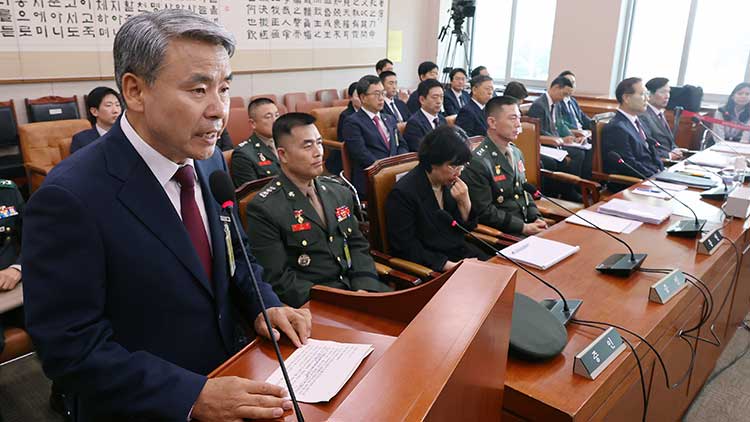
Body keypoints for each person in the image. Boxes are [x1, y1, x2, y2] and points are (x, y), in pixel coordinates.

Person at [22, 9, 311, 421]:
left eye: (224, 89)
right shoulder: (69, 198)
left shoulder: (206, 161)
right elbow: (70, 348)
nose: (219, 111)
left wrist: (265, 305)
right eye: (198, 90)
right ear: (135, 91)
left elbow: (235, 253)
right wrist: (193, 396)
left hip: (234, 377)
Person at [246, 113, 392, 307]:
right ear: (283, 155)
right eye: (308, 146)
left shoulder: (338, 191)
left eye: (319, 143)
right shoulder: (265, 207)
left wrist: (363, 287)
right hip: (317, 304)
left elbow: (357, 244)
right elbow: (279, 279)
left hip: (359, 290)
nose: (318, 152)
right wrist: (339, 300)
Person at [386, 126, 488, 272]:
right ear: (434, 161)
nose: (458, 173)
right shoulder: (403, 194)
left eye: (462, 166)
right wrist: (448, 266)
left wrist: (464, 202)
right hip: (432, 266)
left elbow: (467, 229)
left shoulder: (451, 183)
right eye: (453, 166)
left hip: (460, 253)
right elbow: (406, 247)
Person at [461, 96, 547, 236]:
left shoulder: (516, 152)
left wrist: (536, 218)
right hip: (506, 232)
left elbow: (524, 191)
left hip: (527, 226)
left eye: (519, 118)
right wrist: (523, 228)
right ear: (492, 122)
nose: (518, 124)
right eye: (512, 118)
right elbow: (484, 212)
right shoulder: (479, 161)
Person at [342, 75, 409, 196]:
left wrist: (400, 163)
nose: (381, 98)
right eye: (376, 94)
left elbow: (402, 144)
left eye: (383, 93)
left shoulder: (389, 118)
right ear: (363, 97)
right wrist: (385, 170)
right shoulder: (352, 122)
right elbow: (361, 154)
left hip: (395, 173)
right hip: (370, 178)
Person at [527, 76, 590, 199]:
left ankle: (577, 188)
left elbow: (560, 124)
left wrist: (570, 136)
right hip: (546, 143)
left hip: (557, 141)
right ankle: (568, 191)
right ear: (556, 88)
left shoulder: (557, 104)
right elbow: (540, 131)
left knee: (585, 150)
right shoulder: (539, 105)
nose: (564, 98)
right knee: (578, 154)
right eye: (564, 94)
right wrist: (560, 140)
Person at [602, 77, 664, 179]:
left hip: (652, 176)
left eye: (647, 94)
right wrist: (654, 176)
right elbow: (628, 164)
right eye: (642, 94)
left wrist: (661, 171)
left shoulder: (640, 122)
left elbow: (652, 151)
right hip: (632, 182)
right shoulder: (617, 127)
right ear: (626, 98)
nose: (647, 99)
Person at [231, 97, 281, 186]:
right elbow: (251, 196)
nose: (275, 121)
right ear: (253, 124)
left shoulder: (287, 144)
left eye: (277, 115)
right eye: (268, 117)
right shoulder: (243, 154)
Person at [0, 178, 24, 358]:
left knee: (60, 322)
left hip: (15, 291)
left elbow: (35, 237)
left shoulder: (7, 191)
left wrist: (17, 268)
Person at [640, 77, 683, 160]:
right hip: (659, 161)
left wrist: (676, 150)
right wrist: (669, 155)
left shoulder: (660, 113)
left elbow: (669, 142)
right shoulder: (643, 116)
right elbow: (647, 146)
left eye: (668, 92)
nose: (667, 96)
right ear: (649, 94)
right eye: (663, 92)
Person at [70, 86, 122, 153]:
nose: (116, 111)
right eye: (109, 105)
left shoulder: (128, 134)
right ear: (94, 111)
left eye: (117, 105)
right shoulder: (81, 140)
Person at [326, 81, 361, 175]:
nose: (361, 99)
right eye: (358, 96)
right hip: (348, 153)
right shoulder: (346, 116)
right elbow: (344, 139)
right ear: (350, 98)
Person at [403, 79, 446, 151]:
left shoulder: (442, 119)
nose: (439, 101)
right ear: (422, 100)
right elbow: (420, 152)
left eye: (441, 97)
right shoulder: (414, 123)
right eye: (435, 97)